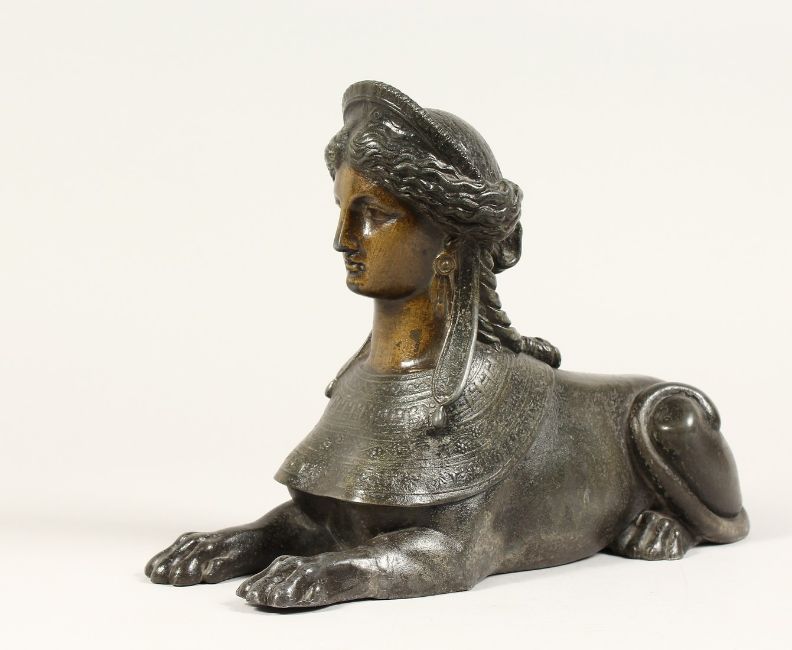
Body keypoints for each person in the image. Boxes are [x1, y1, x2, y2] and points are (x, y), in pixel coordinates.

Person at [145, 81, 748, 609]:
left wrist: (342, 573)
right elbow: (327, 519)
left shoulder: (493, 394)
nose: (343, 239)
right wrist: (244, 542)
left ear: (449, 236)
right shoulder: (360, 383)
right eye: (343, 210)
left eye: (374, 214)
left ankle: (688, 521)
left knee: (670, 417)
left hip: (649, 420)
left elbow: (454, 551)